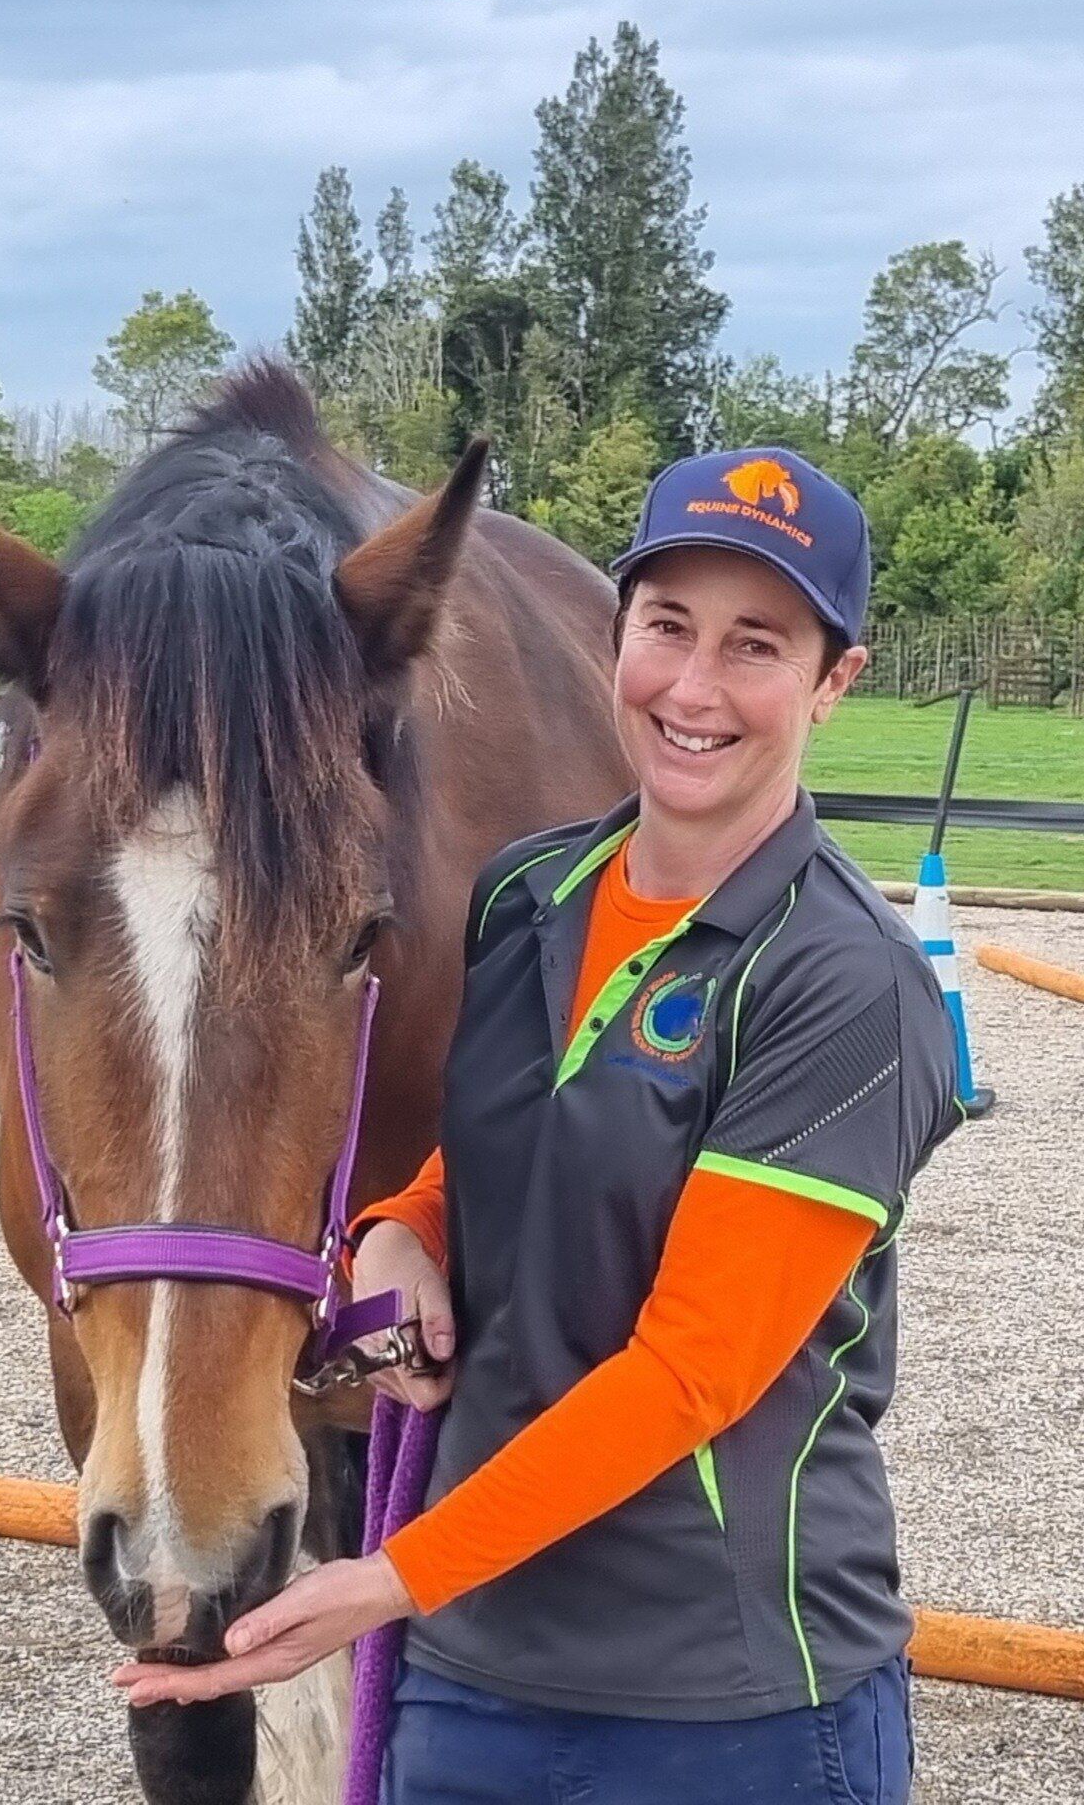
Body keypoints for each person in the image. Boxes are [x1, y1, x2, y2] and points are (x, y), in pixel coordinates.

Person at [115, 447, 961, 1805]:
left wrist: (386, 1580)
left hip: (722, 1703)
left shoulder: (846, 983)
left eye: (757, 645)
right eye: (668, 626)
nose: (693, 688)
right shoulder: (531, 894)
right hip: (471, 1675)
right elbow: (504, 1143)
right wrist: (406, 1228)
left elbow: (696, 1372)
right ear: (615, 633)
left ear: (833, 682)